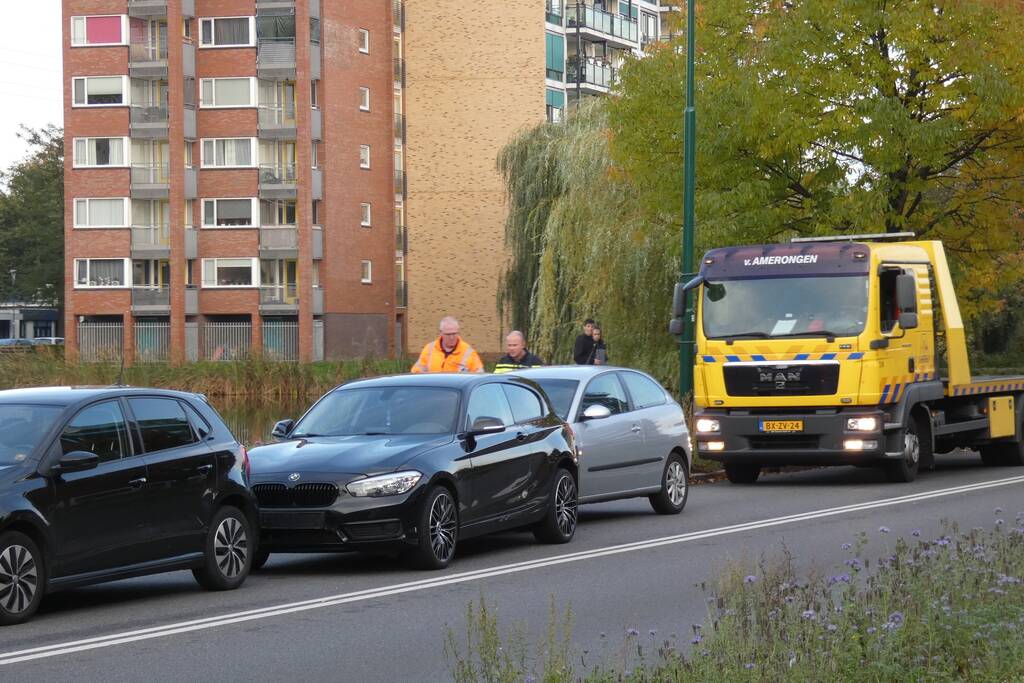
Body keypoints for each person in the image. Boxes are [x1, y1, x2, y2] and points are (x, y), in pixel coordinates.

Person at [411, 316, 485, 374]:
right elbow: (416, 373)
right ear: (441, 333)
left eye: (454, 333)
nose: (452, 337)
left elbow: (479, 377)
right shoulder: (429, 349)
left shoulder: (469, 353)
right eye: (448, 334)